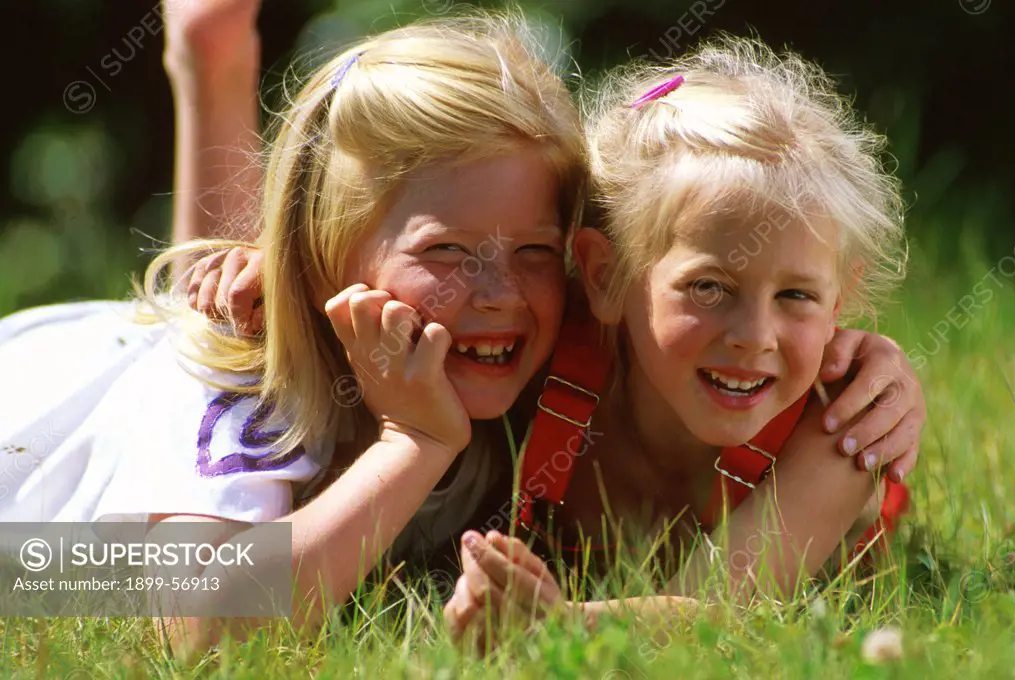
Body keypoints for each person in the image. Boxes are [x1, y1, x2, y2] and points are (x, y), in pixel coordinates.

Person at [0, 10, 586, 656]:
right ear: (314, 265)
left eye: (535, 250)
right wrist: (413, 443)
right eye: (445, 250)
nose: (500, 293)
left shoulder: (538, 376)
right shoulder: (238, 366)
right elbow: (202, 634)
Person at [442, 36, 919, 645]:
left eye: (796, 296)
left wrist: (559, 627)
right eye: (709, 287)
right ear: (605, 278)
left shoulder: (846, 429)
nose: (753, 338)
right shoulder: (547, 362)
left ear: (837, 306)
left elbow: (725, 607)